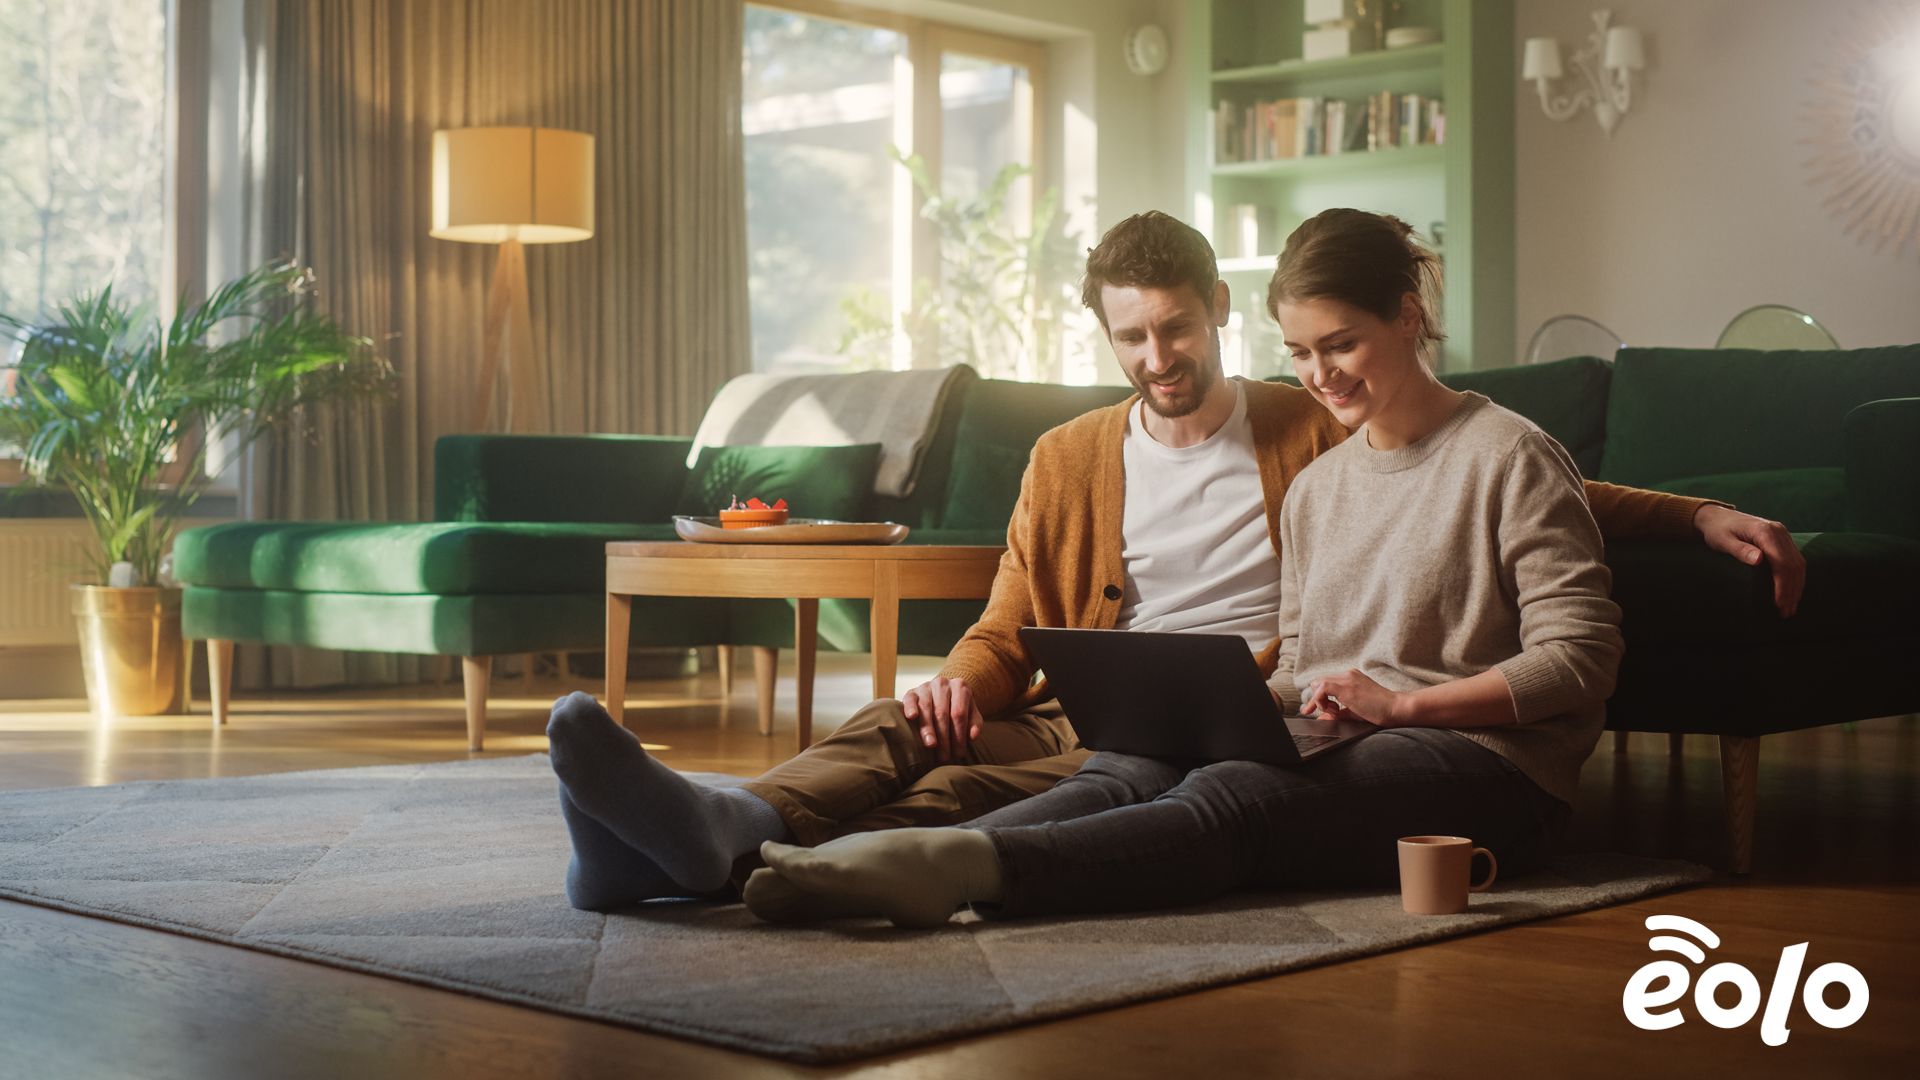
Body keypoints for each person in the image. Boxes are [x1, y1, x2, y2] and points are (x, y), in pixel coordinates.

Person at [543, 211, 1804, 911]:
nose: (1158, 357)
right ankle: (715, 830)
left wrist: (1692, 512)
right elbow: (1007, 620)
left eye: (1179, 328)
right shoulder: (1084, 458)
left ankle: (792, 870)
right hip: (1120, 707)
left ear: (1213, 315)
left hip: (1264, 712)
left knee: (1031, 799)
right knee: (908, 730)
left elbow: (1516, 485)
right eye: (1132, 337)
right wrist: (964, 687)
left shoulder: (1313, 429)